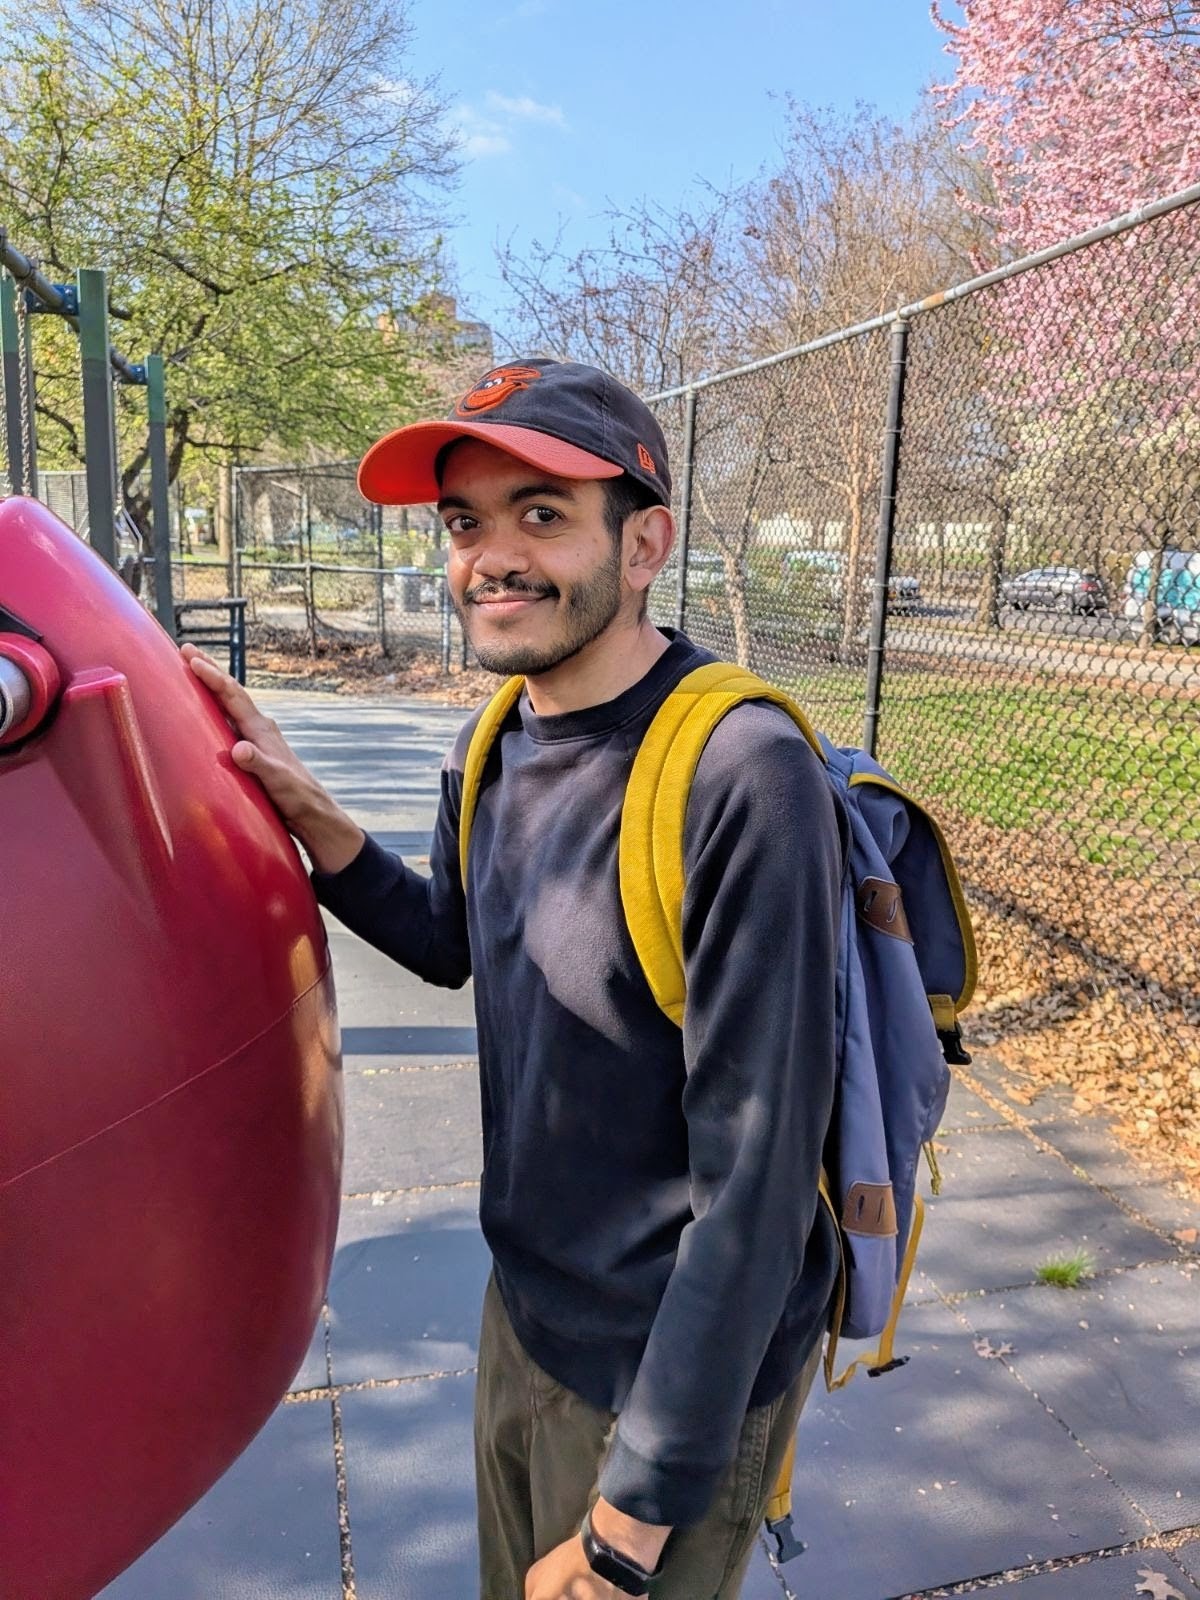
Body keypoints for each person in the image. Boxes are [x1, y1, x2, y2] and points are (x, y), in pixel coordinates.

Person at [184, 358, 847, 1600]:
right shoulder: (492, 737)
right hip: (529, 1312)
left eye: (542, 514)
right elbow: (453, 940)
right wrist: (313, 814)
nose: (492, 557)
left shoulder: (742, 775)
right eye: (465, 523)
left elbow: (756, 1188)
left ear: (643, 545)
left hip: (669, 1369)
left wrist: (630, 1523)